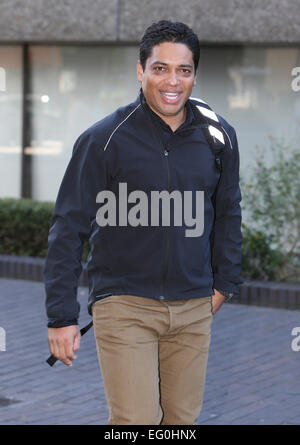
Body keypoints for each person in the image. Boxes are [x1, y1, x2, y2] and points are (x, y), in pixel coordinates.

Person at [44, 20, 243, 425]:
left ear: (194, 75)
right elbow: (68, 228)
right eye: (160, 68)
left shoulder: (218, 135)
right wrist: (62, 317)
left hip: (193, 308)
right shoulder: (105, 138)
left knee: (181, 422)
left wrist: (225, 284)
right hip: (125, 306)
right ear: (141, 71)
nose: (172, 81)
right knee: (136, 423)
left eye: (183, 70)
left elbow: (228, 211)